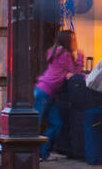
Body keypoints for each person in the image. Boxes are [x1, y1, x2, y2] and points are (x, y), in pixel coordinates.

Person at [34, 30, 83, 161]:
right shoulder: (65, 55)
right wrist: (80, 57)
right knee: (36, 125)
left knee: (57, 124)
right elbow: (75, 72)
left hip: (47, 92)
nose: (75, 42)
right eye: (73, 39)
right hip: (45, 92)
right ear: (66, 41)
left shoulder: (56, 51)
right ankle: (34, 154)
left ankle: (42, 153)